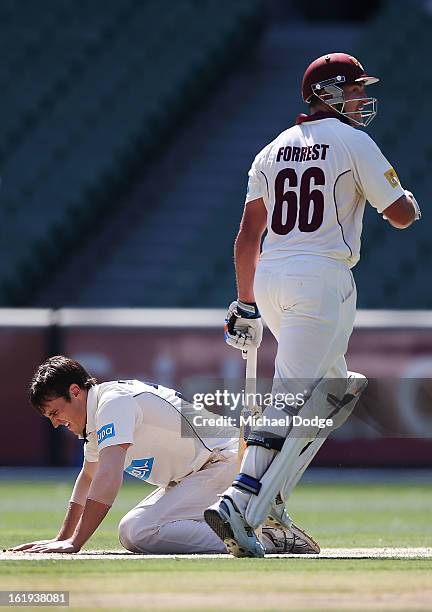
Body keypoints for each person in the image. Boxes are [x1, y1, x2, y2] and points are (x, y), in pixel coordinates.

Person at [206, 52, 421, 557]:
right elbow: (401, 215)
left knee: (337, 392)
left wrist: (246, 303)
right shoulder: (353, 141)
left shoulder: (271, 149)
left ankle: (273, 502)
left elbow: (246, 239)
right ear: (326, 93)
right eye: (352, 90)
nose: (361, 99)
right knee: (289, 397)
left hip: (274, 278)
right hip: (321, 277)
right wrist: (407, 197)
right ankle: (240, 500)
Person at [10, 355, 318, 555]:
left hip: (223, 462)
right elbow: (89, 476)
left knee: (138, 530)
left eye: (55, 412)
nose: (55, 422)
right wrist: (61, 538)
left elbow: (107, 475)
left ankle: (266, 538)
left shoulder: (111, 403)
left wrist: (75, 543)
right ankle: (254, 528)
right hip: (205, 469)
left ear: (75, 391)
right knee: (135, 530)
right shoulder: (97, 415)